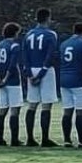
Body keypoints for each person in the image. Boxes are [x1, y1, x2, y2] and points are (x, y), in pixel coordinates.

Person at [22, 9, 59, 147]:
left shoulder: (28, 34)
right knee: (46, 104)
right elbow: (51, 55)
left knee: (32, 104)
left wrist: (29, 74)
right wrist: (42, 72)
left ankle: (30, 138)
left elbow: (24, 55)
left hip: (31, 69)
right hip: (45, 70)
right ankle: (45, 138)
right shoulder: (51, 34)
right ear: (47, 18)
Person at [58, 23, 82, 147]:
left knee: (67, 111)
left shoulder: (64, 44)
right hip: (78, 80)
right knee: (80, 111)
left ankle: (67, 139)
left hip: (64, 79)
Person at [0, 23, 25, 145]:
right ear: (15, 33)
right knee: (15, 110)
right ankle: (14, 139)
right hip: (12, 81)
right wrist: (6, 79)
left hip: (1, 81)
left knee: (2, 110)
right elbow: (12, 65)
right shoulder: (14, 46)